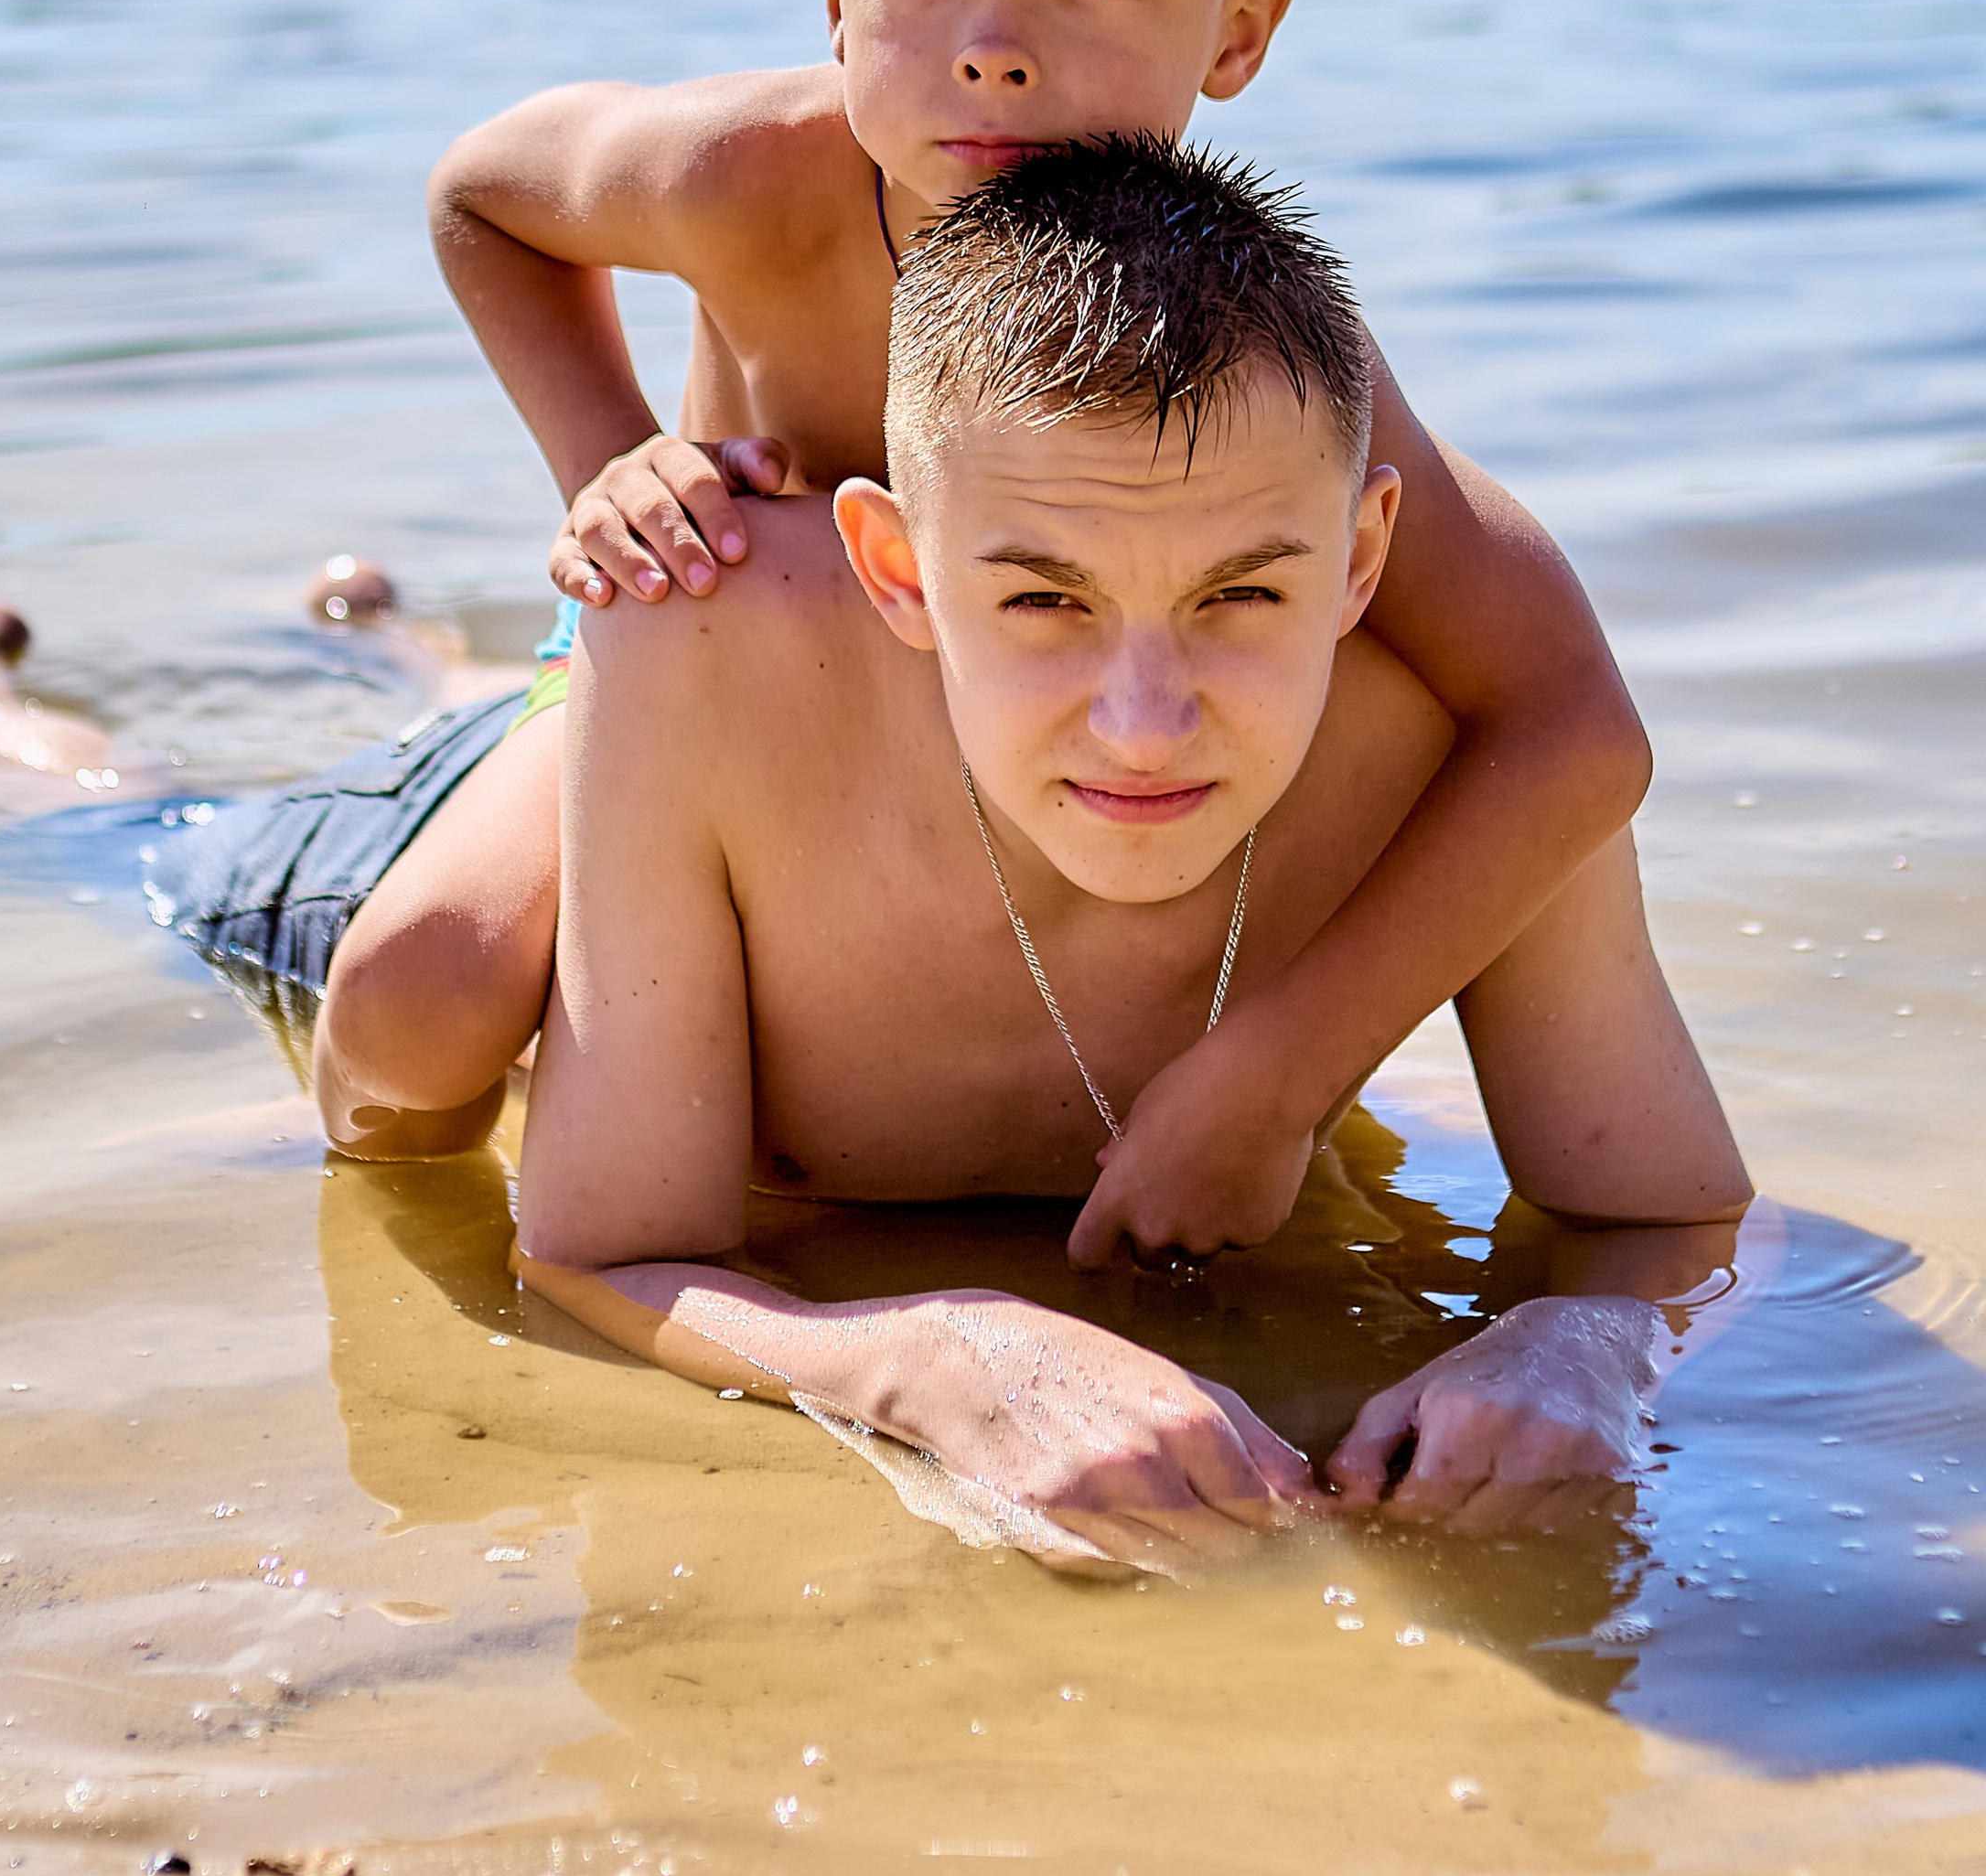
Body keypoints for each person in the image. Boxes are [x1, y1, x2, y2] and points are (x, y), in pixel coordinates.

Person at [399, 0, 1651, 1262]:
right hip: (705, 691)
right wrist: (610, 460)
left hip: (1013, 725)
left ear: (1241, 31)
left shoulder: (1230, 336)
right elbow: (481, 196)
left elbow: (1570, 725)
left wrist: (1281, 1075)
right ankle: (435, 687)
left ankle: (415, 661)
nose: (993, 44)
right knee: (423, 981)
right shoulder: (744, 176)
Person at [507, 136, 1751, 1565]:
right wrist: (928, 1361)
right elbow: (589, 1251)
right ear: (899, 567)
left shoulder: (1471, 754)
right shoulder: (693, 646)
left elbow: (1675, 1222)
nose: (1147, 724)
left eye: (1241, 593)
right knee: (403, 993)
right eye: (1046, 599)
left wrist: (1582, 1346)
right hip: (468, 820)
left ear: (1360, 558)